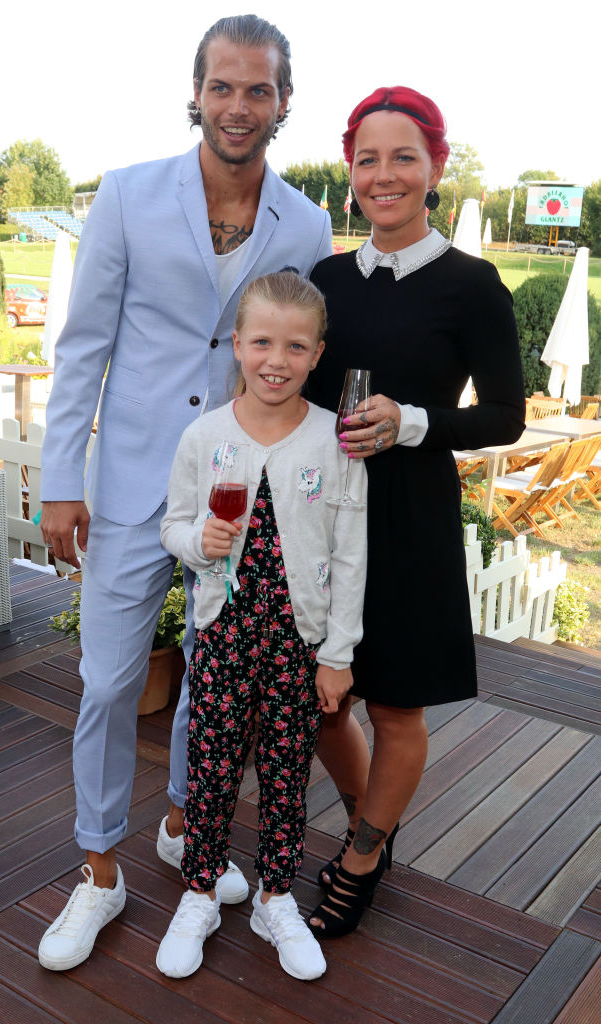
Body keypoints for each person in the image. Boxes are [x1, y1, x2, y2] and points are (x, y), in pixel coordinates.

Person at [37, 15, 331, 973]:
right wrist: (60, 479)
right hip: (127, 479)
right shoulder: (125, 196)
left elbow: (294, 356)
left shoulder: (308, 222)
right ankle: (97, 874)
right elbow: (84, 345)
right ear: (195, 93)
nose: (238, 106)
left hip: (239, 493)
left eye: (258, 90)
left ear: (283, 102)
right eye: (223, 87)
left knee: (215, 675)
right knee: (110, 680)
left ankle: (180, 825)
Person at [304, 86, 525, 938]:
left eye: (403, 157)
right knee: (323, 700)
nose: (382, 175)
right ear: (350, 171)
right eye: (367, 158)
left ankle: (360, 855)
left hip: (409, 515)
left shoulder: (472, 285)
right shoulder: (326, 279)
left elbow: (504, 415)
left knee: (394, 708)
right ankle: (375, 822)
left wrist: (413, 421)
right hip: (325, 515)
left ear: (433, 167)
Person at [156, 271, 366, 981]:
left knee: (285, 772)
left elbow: (349, 555)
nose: (276, 359)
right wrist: (195, 545)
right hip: (222, 635)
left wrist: (336, 654)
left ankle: (275, 896)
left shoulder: (333, 443)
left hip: (296, 643)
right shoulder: (204, 435)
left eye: (295, 346)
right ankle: (201, 891)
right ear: (238, 346)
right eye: (262, 342)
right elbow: (174, 523)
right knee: (210, 768)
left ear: (317, 354)